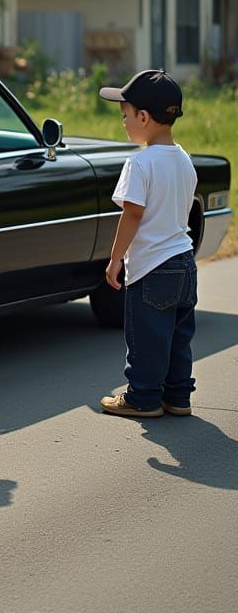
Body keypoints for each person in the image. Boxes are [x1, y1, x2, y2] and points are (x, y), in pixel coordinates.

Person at [97, 69, 198, 418]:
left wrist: (115, 259)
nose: (123, 122)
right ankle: (178, 396)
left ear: (143, 116)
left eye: (125, 115)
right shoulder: (184, 158)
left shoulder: (139, 162)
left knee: (146, 338)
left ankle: (143, 397)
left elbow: (133, 214)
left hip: (152, 268)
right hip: (184, 261)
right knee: (177, 338)